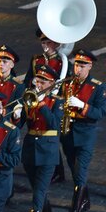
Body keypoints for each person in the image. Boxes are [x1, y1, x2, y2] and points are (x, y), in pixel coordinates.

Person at [15, 64, 63, 212]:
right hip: (30, 151)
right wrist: (16, 116)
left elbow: (53, 124)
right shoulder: (29, 98)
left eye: (43, 81)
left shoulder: (57, 101)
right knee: (39, 191)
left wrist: (41, 104)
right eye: (37, 80)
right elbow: (20, 125)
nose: (38, 84)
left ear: (51, 83)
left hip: (47, 153)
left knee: (38, 194)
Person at [59, 49, 106, 212]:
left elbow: (100, 113)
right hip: (68, 133)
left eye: (81, 65)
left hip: (86, 134)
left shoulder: (98, 86)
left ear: (90, 66)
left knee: (80, 174)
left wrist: (82, 106)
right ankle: (85, 200)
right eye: (76, 64)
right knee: (74, 169)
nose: (77, 69)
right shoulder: (67, 83)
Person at [25, 29, 67, 185]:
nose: (45, 46)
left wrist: (55, 96)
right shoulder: (36, 60)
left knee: (52, 135)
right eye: (43, 42)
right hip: (38, 98)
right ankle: (55, 170)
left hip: (53, 100)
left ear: (55, 43)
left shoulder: (62, 61)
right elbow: (28, 79)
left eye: (48, 42)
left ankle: (56, 170)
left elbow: (65, 83)